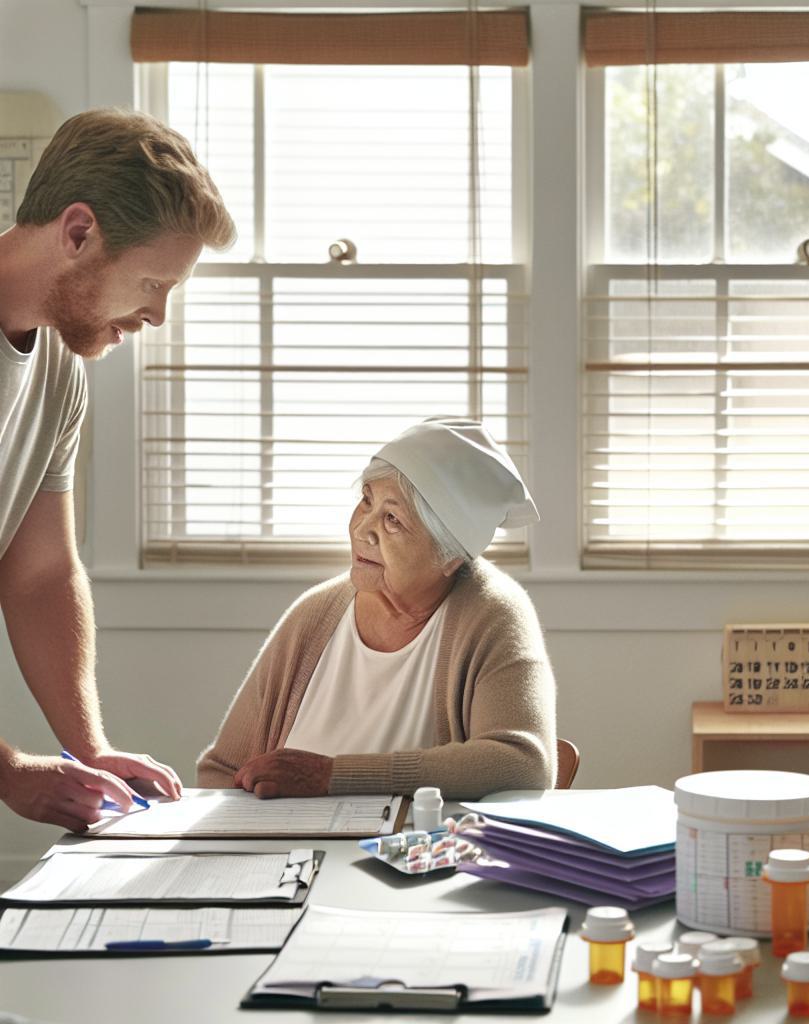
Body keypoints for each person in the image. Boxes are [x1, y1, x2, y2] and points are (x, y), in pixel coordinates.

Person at [0, 108, 236, 831]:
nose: (158, 315)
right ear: (78, 233)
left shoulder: (59, 375)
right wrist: (8, 772)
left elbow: (40, 573)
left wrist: (88, 746)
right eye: (154, 283)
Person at [198, 419, 556, 800]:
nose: (361, 529)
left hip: (410, 857)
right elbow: (222, 772)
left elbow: (522, 762)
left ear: (450, 556)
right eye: (366, 500)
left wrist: (333, 775)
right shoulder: (315, 615)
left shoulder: (493, 614)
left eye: (392, 519)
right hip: (285, 855)